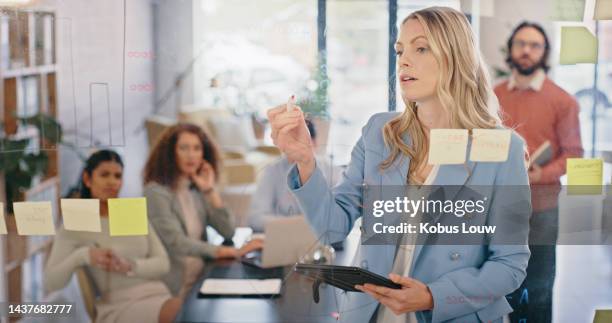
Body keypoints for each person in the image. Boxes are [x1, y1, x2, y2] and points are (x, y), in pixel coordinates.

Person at [268, 7, 531, 323]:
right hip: (372, 313)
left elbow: (510, 265)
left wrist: (434, 296)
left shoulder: (502, 149)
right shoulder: (379, 133)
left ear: (456, 56)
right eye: (400, 50)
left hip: (450, 314)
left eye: (421, 48)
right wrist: (304, 160)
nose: (404, 60)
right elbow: (332, 228)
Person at [494, 21, 583, 323]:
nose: (527, 51)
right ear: (511, 49)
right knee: (502, 286)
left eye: (535, 45)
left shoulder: (563, 101)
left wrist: (538, 175)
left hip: (542, 208)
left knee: (540, 286)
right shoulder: (492, 97)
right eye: (521, 43)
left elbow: (574, 155)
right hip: (500, 208)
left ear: (545, 52)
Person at [45, 150, 181, 323]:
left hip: (158, 293)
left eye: (118, 176)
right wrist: (84, 255)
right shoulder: (77, 222)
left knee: (187, 309)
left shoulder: (129, 213)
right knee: (179, 311)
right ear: (87, 179)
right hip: (119, 306)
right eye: (104, 175)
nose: (112, 182)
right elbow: (52, 282)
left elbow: (163, 263)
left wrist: (130, 265)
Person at [143, 123, 262, 298]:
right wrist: (229, 252)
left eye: (197, 148)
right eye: (184, 148)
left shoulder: (196, 188)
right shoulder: (155, 192)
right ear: (170, 153)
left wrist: (210, 191)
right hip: (176, 285)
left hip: (203, 275)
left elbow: (228, 231)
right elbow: (176, 242)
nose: (191, 155)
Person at [248, 118, 340, 232]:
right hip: (284, 239)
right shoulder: (273, 171)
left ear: (314, 143)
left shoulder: (332, 171)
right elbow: (255, 218)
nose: (294, 148)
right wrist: (295, 226)